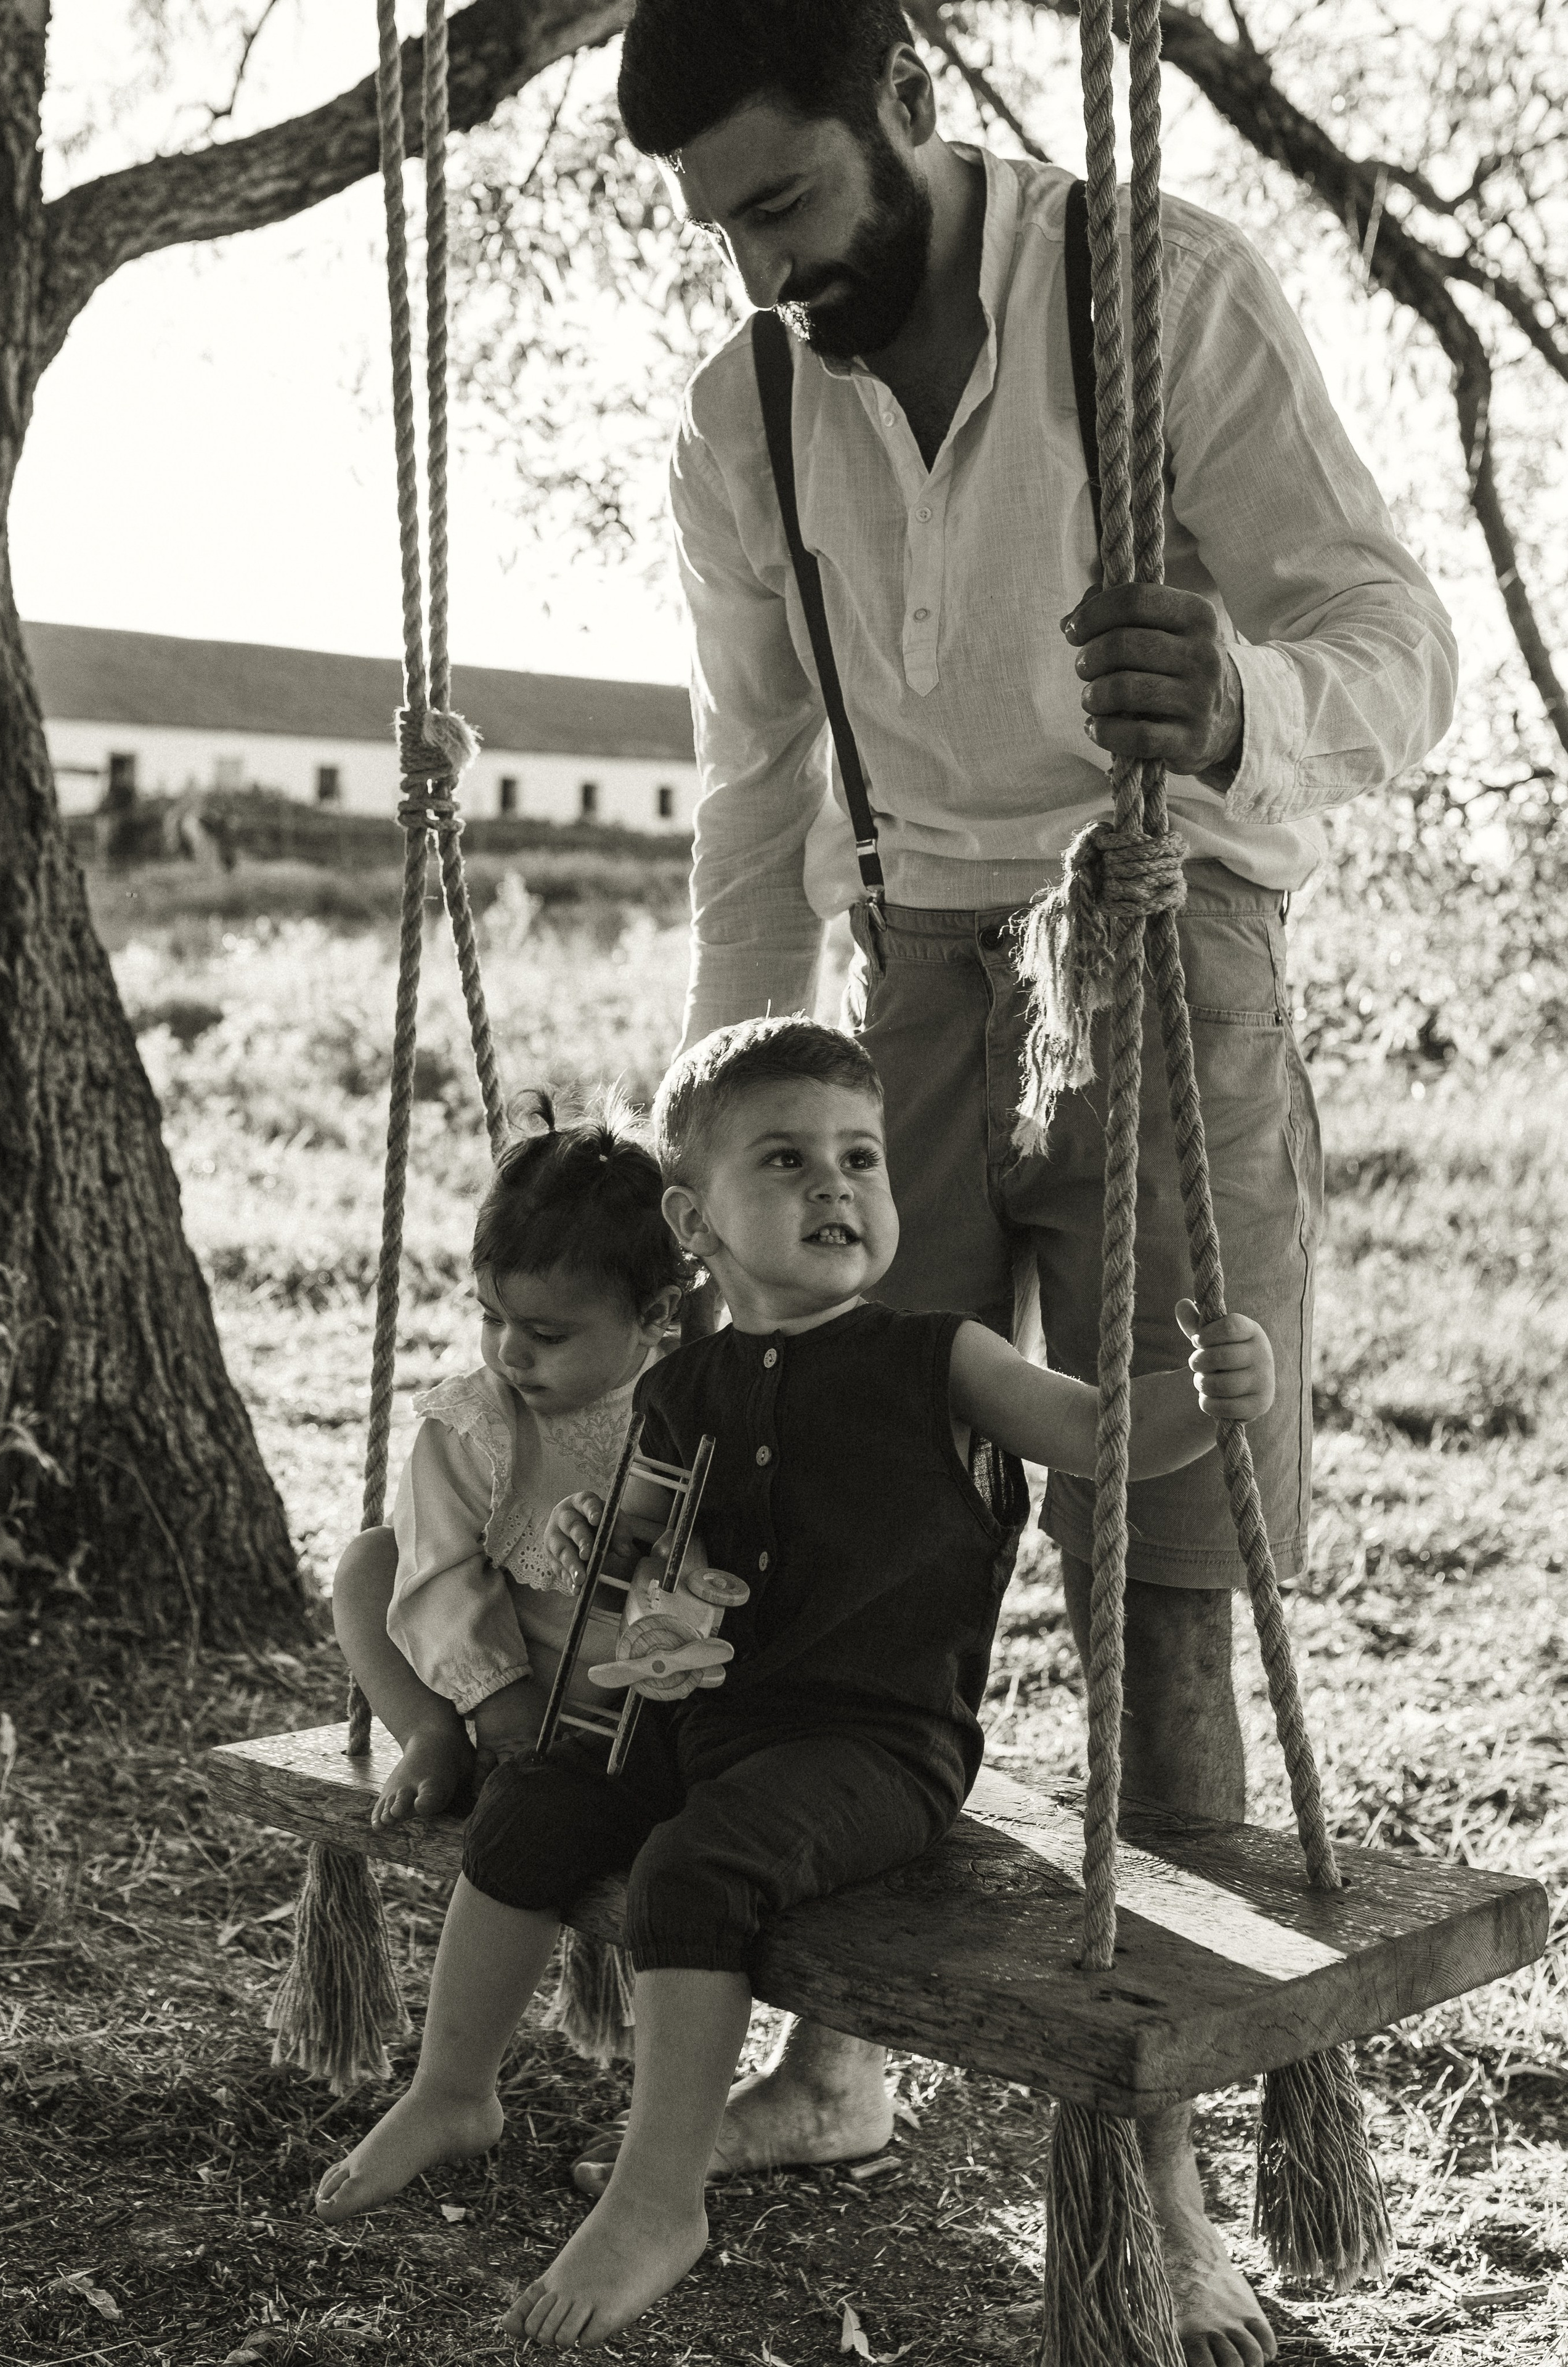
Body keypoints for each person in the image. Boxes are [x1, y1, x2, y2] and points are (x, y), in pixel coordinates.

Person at [602, 7, 1459, 2363]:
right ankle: (837, 2057)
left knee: (1153, 1551)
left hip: (1169, 921)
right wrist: (725, 1120)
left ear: (902, 102)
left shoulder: (1156, 292)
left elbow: (1402, 646)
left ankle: (1157, 2177)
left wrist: (1248, 702)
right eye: (716, 230)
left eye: (780, 202)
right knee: (848, 1505)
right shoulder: (739, 408)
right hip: (909, 971)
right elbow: (755, 792)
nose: (759, 269)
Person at [311, 1019, 1275, 2350]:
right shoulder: (681, 1386)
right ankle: (452, 2085)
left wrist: (1211, 1397)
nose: (834, 1185)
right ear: (690, 1218)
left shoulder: (938, 1356)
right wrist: (650, 1615)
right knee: (540, 1798)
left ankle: (660, 2198)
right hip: (704, 1716)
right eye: (785, 1158)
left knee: (693, 1870)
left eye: (858, 1157)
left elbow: (1094, 1437)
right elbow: (657, 1573)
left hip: (873, 1747)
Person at [327, 1092, 690, 1826]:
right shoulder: (477, 1422)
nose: (508, 1353)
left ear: (654, 1315)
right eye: (492, 1318)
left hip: (638, 1684)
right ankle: (432, 1735)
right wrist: (496, 1701)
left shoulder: (693, 1403)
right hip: (484, 1676)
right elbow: (440, 1568)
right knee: (368, 1567)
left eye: (547, 1335)